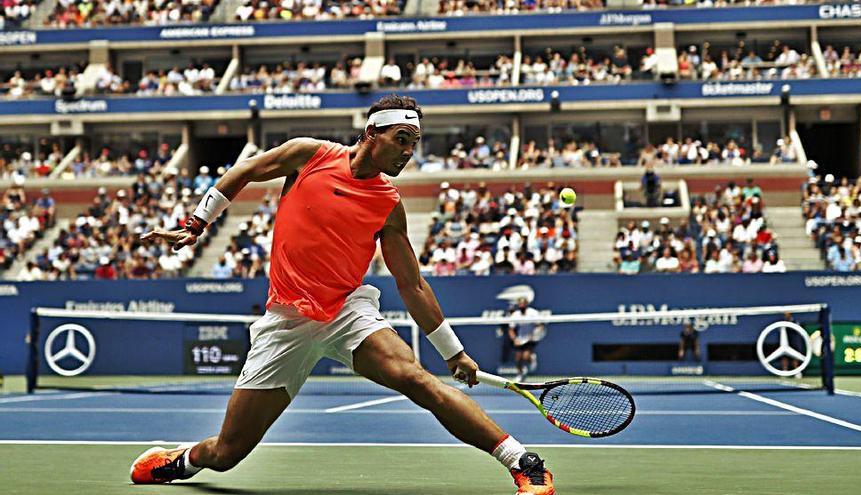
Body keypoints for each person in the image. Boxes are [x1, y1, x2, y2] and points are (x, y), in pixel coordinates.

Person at [131, 95, 554, 494]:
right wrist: (197, 222)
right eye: (401, 140)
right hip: (286, 320)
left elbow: (412, 284)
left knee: (416, 380)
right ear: (371, 133)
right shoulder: (309, 154)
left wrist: (453, 353)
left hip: (346, 310)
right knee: (227, 454)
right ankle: (183, 460)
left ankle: (523, 463)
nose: (408, 152)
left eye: (414, 144)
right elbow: (244, 172)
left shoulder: (388, 204)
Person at [507, 297, 545, 382]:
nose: (521, 305)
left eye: (523, 303)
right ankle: (521, 373)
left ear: (526, 304)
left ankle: (531, 358)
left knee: (525, 356)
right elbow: (511, 329)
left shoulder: (533, 313)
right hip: (520, 339)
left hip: (531, 338)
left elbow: (540, 325)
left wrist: (534, 334)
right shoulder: (515, 315)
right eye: (520, 304)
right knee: (518, 358)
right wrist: (514, 339)